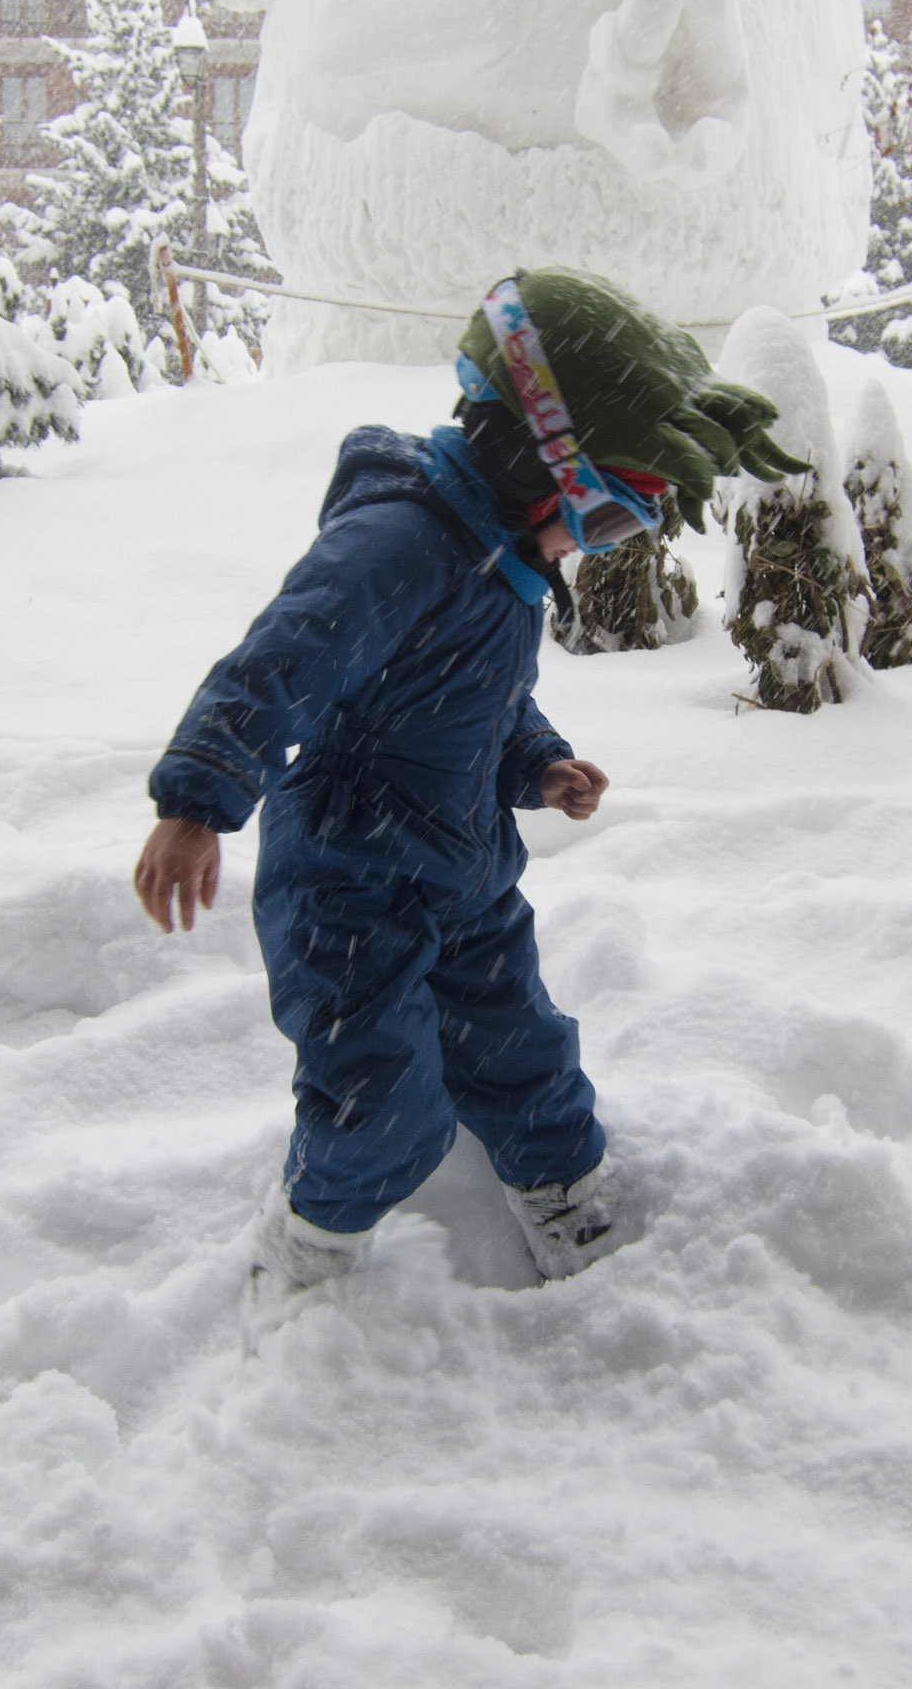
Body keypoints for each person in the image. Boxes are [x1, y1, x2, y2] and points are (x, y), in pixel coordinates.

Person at [134, 268, 802, 1293]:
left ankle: (565, 1196)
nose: (600, 545)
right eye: (611, 518)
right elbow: (282, 659)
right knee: (382, 1095)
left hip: (462, 861)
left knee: (523, 1046)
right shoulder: (397, 542)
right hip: (350, 875)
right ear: (542, 459)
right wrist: (198, 798)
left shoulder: (495, 554)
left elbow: (475, 693)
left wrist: (537, 761)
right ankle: (307, 1248)